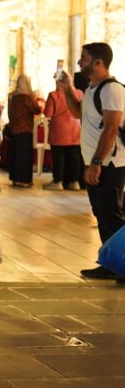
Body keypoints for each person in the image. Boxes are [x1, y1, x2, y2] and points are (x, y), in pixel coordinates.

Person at [57, 42, 125, 281]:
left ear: (98, 62)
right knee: (102, 215)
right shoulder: (91, 88)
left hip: (110, 164)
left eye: (83, 58)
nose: (79, 63)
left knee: (111, 215)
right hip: (95, 162)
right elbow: (77, 113)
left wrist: (97, 162)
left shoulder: (111, 90)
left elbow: (111, 128)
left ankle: (121, 265)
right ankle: (111, 263)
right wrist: (66, 88)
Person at [44, 77, 83, 191]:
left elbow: (48, 113)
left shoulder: (53, 95)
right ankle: (74, 182)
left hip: (58, 130)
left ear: (58, 82)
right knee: (74, 157)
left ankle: (58, 182)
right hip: (75, 130)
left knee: (58, 158)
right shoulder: (79, 93)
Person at [7, 75, 40, 188]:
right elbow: (36, 110)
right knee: (24, 156)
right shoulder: (27, 97)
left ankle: (16, 179)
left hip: (14, 128)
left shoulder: (12, 96)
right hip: (25, 128)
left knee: (16, 154)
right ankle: (24, 180)